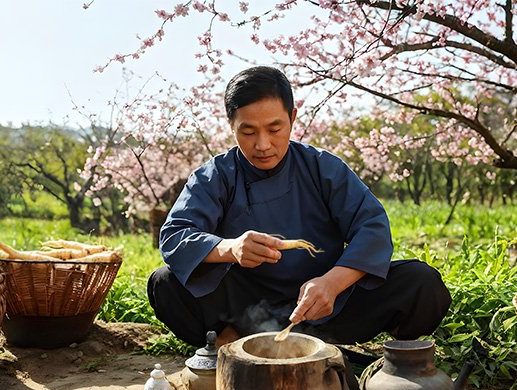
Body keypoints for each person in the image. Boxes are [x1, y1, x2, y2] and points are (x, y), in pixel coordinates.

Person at [147, 66, 451, 348]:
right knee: (165, 283)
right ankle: (229, 342)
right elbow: (175, 236)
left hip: (328, 304)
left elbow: (372, 228)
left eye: (275, 128)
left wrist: (332, 284)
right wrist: (231, 248)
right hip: (247, 309)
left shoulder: (322, 168)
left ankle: (396, 356)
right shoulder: (216, 175)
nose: (262, 144)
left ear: (293, 117)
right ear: (231, 126)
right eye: (248, 132)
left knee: (421, 282)